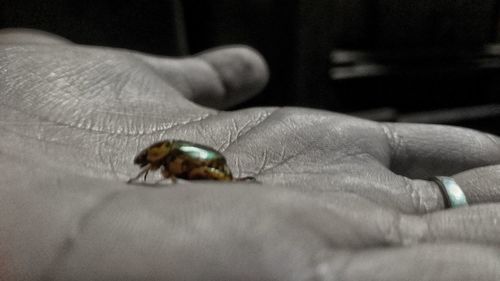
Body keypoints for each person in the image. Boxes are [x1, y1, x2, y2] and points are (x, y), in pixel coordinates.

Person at [1, 28, 500, 281]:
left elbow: (177, 166)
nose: (145, 164)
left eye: (146, 162)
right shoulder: (164, 157)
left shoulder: (169, 159)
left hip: (208, 165)